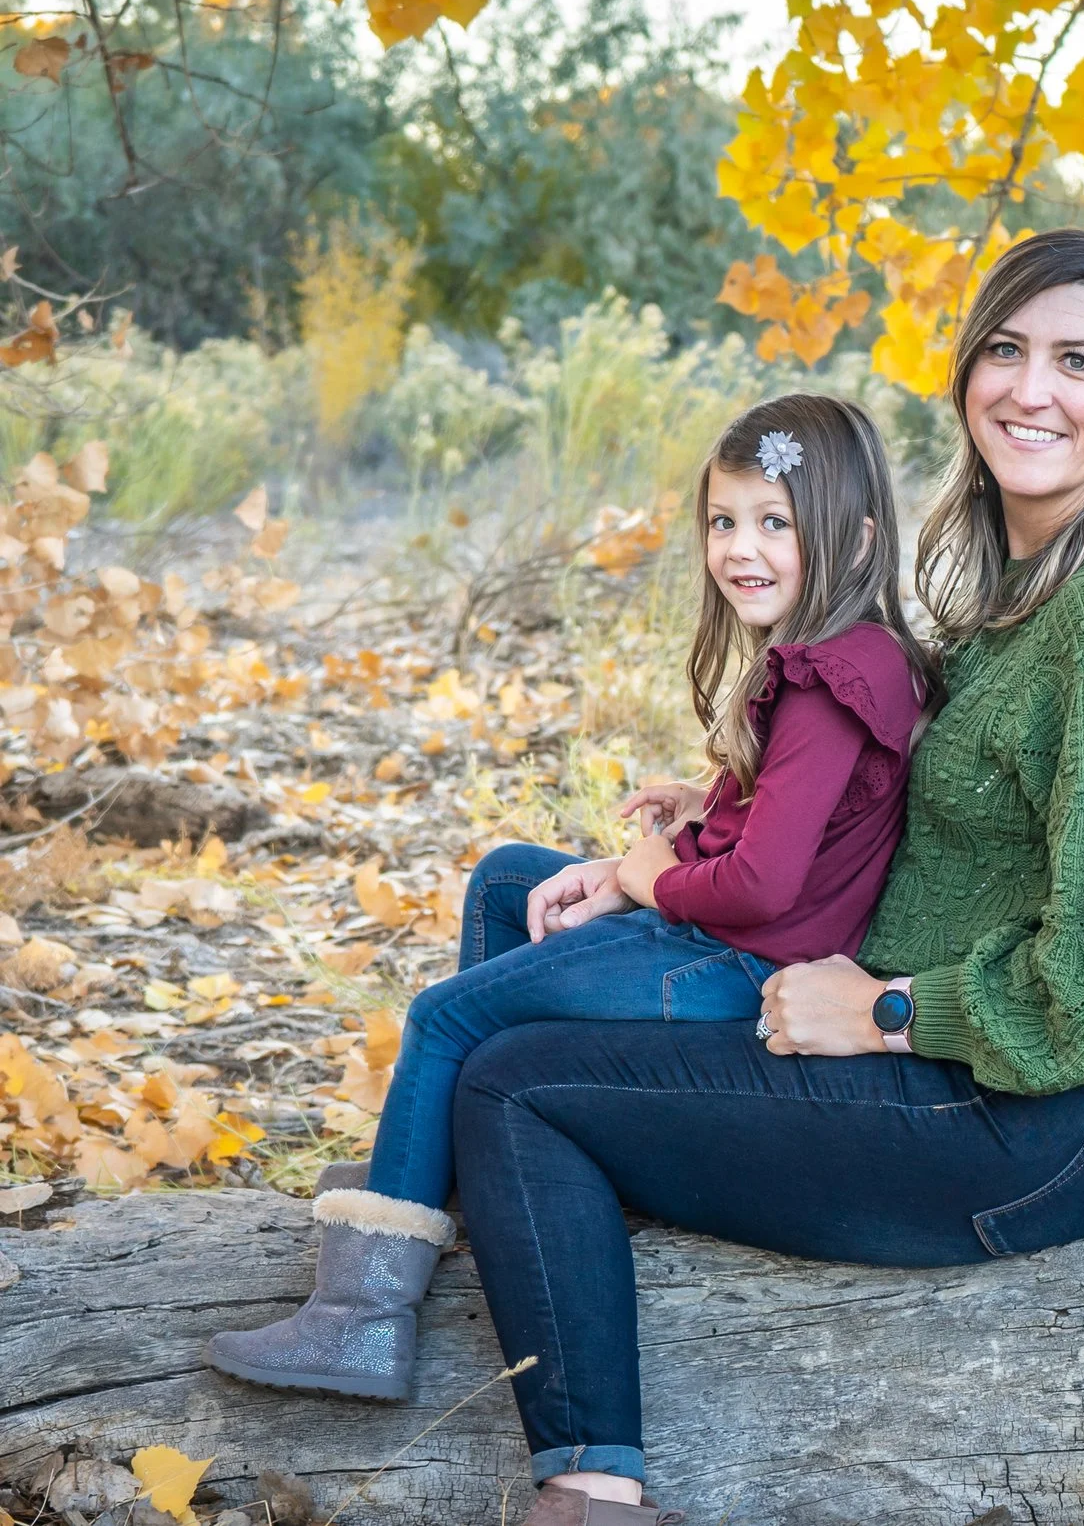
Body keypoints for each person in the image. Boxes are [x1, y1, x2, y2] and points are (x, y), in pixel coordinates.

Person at [449, 227, 1084, 1526]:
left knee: (512, 1082)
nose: (1031, 387)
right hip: (946, 1060)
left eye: (1078, 360)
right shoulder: (1025, 584)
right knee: (519, 883)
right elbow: (918, 803)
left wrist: (888, 1009)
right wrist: (720, 814)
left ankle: (591, 1487)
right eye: (1006, 349)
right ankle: (516, 1225)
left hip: (1043, 1116)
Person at [206, 393, 932, 1404]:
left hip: (739, 966)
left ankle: (357, 1319)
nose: (741, 548)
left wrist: (642, 874)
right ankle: (447, 1174)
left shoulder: (822, 679)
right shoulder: (867, 654)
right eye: (723, 520)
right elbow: (816, 816)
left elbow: (763, 882)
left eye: (775, 522)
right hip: (743, 941)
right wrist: (710, 803)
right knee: (510, 879)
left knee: (443, 1016)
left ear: (853, 538)